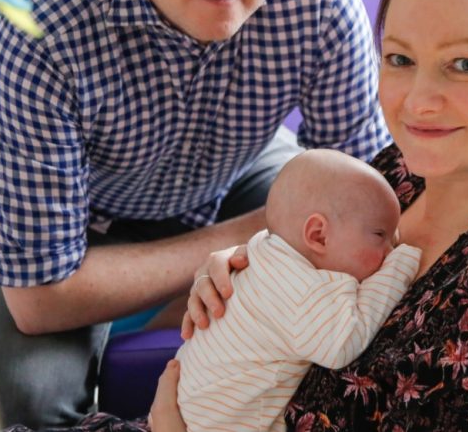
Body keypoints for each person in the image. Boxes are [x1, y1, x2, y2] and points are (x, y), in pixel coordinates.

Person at [5, 0, 468, 432]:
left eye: (465, 64)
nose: (418, 100)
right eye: (400, 59)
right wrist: (247, 269)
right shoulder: (401, 174)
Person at [0, 0, 389, 429]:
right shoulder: (46, 18)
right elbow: (37, 298)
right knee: (34, 409)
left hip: (244, 174)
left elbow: (372, 190)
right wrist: (257, 234)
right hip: (93, 212)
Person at [175, 149, 421, 431]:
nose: (389, 249)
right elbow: (342, 344)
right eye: (380, 236)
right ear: (318, 235)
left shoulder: (265, 250)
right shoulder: (302, 292)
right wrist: (400, 265)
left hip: (188, 403)